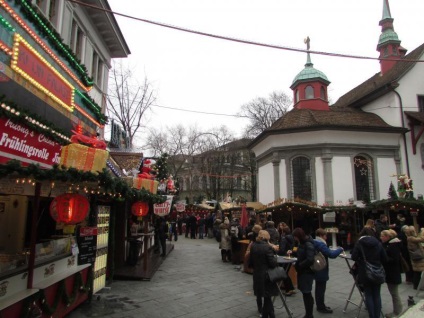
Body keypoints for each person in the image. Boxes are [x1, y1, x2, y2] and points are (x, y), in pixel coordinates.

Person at [351, 233, 387, 318]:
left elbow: (353, 256)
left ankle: (372, 315)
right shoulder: (378, 243)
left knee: (368, 294)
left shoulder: (360, 243)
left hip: (365, 271)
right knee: (377, 294)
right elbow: (385, 258)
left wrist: (361, 260)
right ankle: (377, 316)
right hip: (377, 271)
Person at [249, 230, 279, 318]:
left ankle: (268, 313)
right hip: (266, 274)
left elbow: (251, 261)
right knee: (267, 295)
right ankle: (269, 315)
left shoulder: (253, 245)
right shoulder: (267, 247)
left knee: (262, 294)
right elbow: (272, 263)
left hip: (257, 273)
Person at [313, 228, 344, 314]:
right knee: (321, 289)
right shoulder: (321, 244)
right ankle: (321, 307)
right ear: (321, 236)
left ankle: (320, 305)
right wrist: (340, 249)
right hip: (321, 268)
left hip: (317, 267)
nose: (326, 238)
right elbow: (331, 255)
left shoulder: (314, 242)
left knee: (319, 288)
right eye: (325, 236)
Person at [292, 227, 315, 318]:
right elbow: (301, 254)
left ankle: (309, 314)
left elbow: (310, 259)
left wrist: (299, 265)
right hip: (302, 271)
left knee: (307, 292)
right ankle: (308, 313)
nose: (294, 238)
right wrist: (294, 253)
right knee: (305, 292)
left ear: (298, 236)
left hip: (306, 272)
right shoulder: (301, 244)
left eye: (295, 237)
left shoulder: (308, 244)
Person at [380, 229, 403, 318]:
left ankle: (397, 311)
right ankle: (397, 310)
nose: (381, 238)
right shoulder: (389, 245)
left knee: (394, 293)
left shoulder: (393, 246)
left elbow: (394, 259)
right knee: (393, 292)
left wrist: (384, 258)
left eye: (382, 236)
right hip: (390, 272)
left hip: (393, 272)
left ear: (387, 237)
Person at [277, 225, 296, 297]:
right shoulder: (291, 237)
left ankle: (289, 289)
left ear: (283, 232)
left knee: (283, 273)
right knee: (285, 272)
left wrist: (277, 251)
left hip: (283, 257)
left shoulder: (284, 239)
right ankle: (291, 288)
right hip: (289, 256)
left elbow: (282, 250)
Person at [404, 225, 424, 290]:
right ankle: (416, 285)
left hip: (416, 256)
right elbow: (421, 239)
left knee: (417, 271)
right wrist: (423, 232)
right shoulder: (411, 238)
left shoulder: (410, 238)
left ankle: (417, 285)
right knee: (417, 272)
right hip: (417, 257)